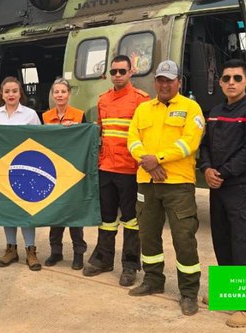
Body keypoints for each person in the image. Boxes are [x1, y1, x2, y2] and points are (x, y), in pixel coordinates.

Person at [126, 60, 204, 316]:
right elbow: (133, 139)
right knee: (147, 235)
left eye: (169, 80)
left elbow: (189, 143)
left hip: (177, 184)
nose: (164, 84)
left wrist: (157, 159)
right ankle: (153, 280)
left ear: (178, 82)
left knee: (184, 238)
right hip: (146, 181)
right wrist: (147, 164)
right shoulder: (144, 109)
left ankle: (189, 292)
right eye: (160, 79)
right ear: (155, 81)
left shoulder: (191, 108)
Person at [198, 59, 246, 327]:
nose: (231, 82)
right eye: (226, 78)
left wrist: (222, 173)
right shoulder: (216, 111)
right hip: (218, 189)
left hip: (242, 189)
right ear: (220, 82)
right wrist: (206, 168)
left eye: (236, 78)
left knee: (245, 246)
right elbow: (204, 145)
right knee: (223, 242)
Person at [84, 55, 149, 286]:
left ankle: (130, 265)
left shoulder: (141, 100)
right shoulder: (103, 101)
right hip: (106, 168)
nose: (118, 75)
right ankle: (103, 258)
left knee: (131, 221)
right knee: (107, 219)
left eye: (122, 71)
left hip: (130, 170)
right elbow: (100, 133)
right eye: (114, 72)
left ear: (131, 72)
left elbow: (144, 135)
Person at [0, 76, 43, 271]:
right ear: (1, 94)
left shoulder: (31, 115)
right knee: (8, 209)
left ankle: (30, 250)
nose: (11, 94)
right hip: (3, 170)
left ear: (20, 94)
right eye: (7, 91)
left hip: (24, 168)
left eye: (15, 91)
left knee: (26, 209)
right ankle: (11, 249)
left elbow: (42, 141)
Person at [40, 78, 87, 270]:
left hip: (73, 170)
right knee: (56, 212)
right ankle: (56, 252)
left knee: (74, 214)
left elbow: (85, 139)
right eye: (56, 92)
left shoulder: (79, 115)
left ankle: (78, 253)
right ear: (52, 95)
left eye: (63, 92)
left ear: (69, 94)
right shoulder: (45, 117)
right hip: (53, 170)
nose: (59, 95)